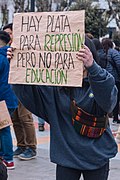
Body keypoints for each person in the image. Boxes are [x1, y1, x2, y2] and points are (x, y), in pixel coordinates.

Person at [7, 36, 118, 180]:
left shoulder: (99, 79)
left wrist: (92, 67)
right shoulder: (55, 89)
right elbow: (27, 94)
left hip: (98, 156)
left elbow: (108, 101)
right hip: (66, 158)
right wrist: (17, 66)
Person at [3, 23, 37, 161]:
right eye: (5, 33)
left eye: (9, 33)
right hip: (11, 88)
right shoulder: (6, 50)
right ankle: (21, 144)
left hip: (23, 86)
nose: (7, 36)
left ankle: (31, 147)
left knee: (25, 117)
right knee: (15, 119)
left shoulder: (22, 49)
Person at [0, 31, 18, 170]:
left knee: (4, 129)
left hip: (2, 99)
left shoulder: (1, 57)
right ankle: (6, 157)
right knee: (4, 128)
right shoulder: (13, 55)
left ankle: (7, 159)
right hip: (11, 97)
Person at [102, 38, 120, 124]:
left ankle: (110, 116)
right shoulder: (113, 52)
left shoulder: (102, 53)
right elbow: (119, 64)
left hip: (106, 78)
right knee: (116, 97)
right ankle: (115, 117)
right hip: (115, 78)